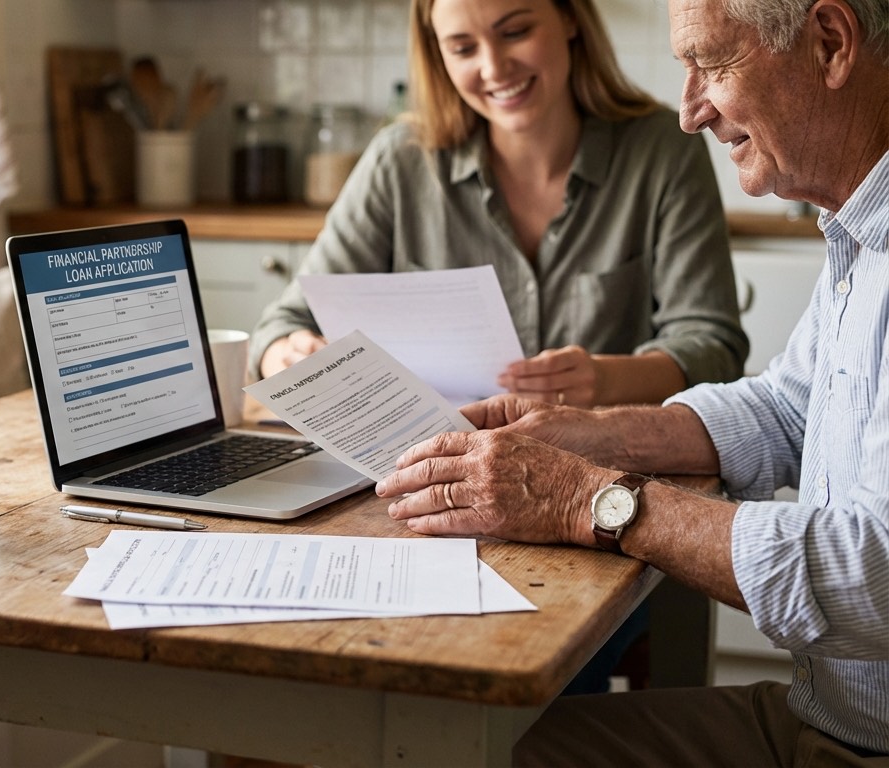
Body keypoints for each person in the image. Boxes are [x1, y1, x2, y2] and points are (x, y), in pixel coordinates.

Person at [375, 0, 889, 760]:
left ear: (830, 43)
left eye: (712, 63)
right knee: (466, 747)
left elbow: (869, 571)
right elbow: (790, 408)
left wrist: (584, 498)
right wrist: (594, 433)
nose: (691, 111)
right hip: (829, 717)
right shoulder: (859, 227)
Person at [249, 0, 749, 408]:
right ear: (438, 55)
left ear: (570, 18)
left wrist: (605, 380)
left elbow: (714, 349)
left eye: (515, 32)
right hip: (433, 471)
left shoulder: (664, 148)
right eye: (463, 47)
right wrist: (285, 355)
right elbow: (283, 325)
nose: (493, 68)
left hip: (606, 473)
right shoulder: (399, 161)